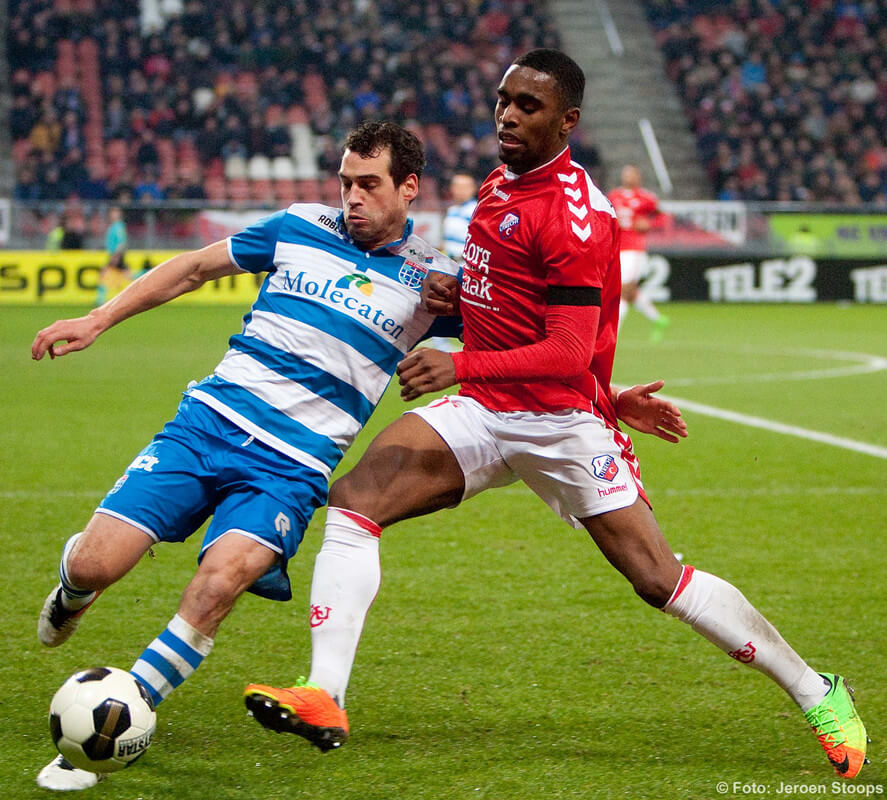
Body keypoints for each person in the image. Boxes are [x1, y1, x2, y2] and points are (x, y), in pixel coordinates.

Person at [244, 50, 868, 779]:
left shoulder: (574, 217)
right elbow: (506, 305)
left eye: (528, 106)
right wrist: (457, 299)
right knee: (355, 502)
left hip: (557, 423)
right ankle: (325, 694)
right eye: (503, 100)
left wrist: (477, 366)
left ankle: (815, 689)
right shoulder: (497, 182)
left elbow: (566, 350)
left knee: (654, 577)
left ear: (566, 120)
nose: (507, 115)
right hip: (486, 409)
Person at [30, 121, 463, 792]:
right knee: (96, 562)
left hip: (290, 468)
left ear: (408, 187)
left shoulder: (436, 281)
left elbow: (522, 334)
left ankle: (111, 726)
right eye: (345, 181)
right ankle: (72, 583)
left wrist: (598, 390)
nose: (352, 196)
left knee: (216, 586)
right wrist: (96, 319)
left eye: (369, 184)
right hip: (207, 425)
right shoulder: (297, 226)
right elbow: (193, 267)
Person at [607, 164, 669, 342]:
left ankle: (613, 335)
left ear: (638, 176)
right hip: (617, 248)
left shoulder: (645, 198)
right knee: (630, 291)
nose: (628, 176)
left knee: (623, 289)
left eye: (631, 173)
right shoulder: (614, 196)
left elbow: (662, 217)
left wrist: (650, 225)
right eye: (625, 173)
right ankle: (659, 319)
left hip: (634, 249)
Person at [431, 171, 479, 352]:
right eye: (456, 186)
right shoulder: (451, 211)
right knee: (441, 305)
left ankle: (472, 345)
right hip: (450, 265)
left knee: (467, 309)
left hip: (467, 267)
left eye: (464, 186)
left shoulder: (476, 210)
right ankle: (442, 346)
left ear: (473, 189)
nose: (459, 190)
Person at [96, 206, 130, 305]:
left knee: (103, 275)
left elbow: (122, 242)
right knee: (127, 276)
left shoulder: (119, 226)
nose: (113, 215)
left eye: (115, 213)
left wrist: (116, 256)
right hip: (114, 255)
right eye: (112, 213)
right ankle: (100, 300)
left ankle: (100, 301)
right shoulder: (114, 226)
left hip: (116, 255)